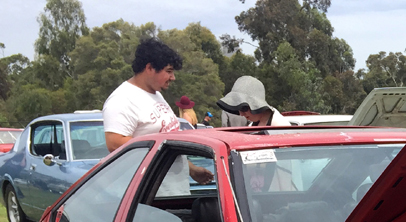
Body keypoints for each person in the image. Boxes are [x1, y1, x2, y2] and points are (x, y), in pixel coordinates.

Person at [102, 38, 213, 188]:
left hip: (173, 191)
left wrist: (191, 169)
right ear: (149, 68)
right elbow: (114, 144)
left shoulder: (155, 93)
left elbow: (165, 139)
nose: (172, 78)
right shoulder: (122, 99)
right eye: (169, 71)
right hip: (150, 195)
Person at [217, 76, 291, 127]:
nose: (241, 113)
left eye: (244, 108)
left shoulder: (280, 127)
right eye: (239, 109)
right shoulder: (254, 124)